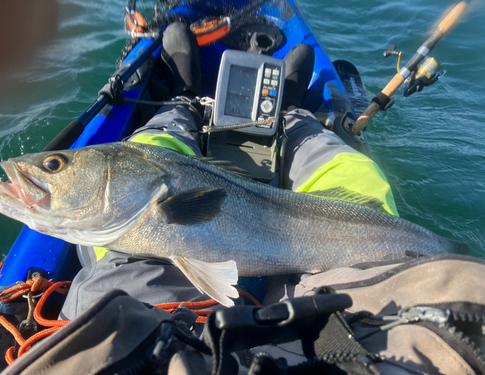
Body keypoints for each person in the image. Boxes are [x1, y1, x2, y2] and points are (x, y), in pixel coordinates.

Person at [59, 22, 398, 320]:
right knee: (348, 172)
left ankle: (182, 105)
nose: (55, 166)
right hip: (329, 326)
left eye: (56, 165)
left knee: (149, 154)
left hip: (122, 316)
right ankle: (295, 121)